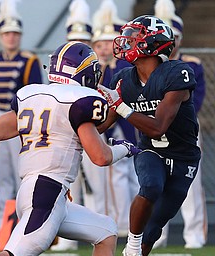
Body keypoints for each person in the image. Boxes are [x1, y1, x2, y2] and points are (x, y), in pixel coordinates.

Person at [0, 41, 141, 256]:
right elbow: (101, 157)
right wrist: (125, 148)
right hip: (46, 191)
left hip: (39, 191)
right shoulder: (79, 100)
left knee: (106, 231)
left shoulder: (32, 96)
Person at [97, 15, 201, 256]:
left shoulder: (177, 73)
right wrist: (78, 108)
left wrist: (121, 105)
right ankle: (132, 244)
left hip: (184, 156)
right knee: (151, 185)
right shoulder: (123, 78)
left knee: (154, 227)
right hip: (150, 150)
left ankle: (138, 249)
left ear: (152, 43)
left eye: (135, 37)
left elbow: (158, 126)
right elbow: (103, 125)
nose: (126, 41)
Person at [153, 0, 208, 249]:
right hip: (156, 130)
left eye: (174, 37)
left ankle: (194, 236)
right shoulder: (151, 67)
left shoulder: (193, 64)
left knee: (191, 184)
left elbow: (195, 100)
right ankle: (156, 235)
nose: (171, 42)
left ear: (180, 38)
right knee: (155, 182)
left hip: (184, 129)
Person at [50, 0, 102, 251]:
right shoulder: (62, 67)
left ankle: (97, 230)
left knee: (97, 186)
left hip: (92, 129)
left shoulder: (98, 67)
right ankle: (68, 238)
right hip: (65, 131)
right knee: (69, 185)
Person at [0, 0, 43, 236]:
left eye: (15, 34)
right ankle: (3, 224)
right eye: (7, 33)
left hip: (19, 118)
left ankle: (24, 221)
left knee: (21, 169)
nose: (11, 38)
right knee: (0, 172)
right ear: (0, 36)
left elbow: (34, 93)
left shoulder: (29, 60)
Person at [91, 0, 139, 237]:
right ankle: (118, 221)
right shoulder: (95, 68)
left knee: (129, 176)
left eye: (108, 43)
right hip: (107, 125)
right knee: (114, 177)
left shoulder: (124, 66)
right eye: (99, 45)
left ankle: (128, 222)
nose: (104, 48)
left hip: (126, 123)